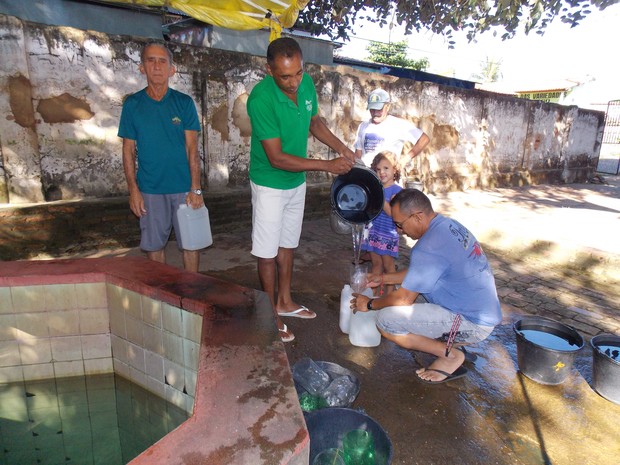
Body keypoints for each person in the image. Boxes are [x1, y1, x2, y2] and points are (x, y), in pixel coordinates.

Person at [247, 37, 355, 343]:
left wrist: (343, 149)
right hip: (270, 182)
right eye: (285, 76)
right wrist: (327, 165)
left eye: (298, 72)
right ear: (269, 70)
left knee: (288, 244)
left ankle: (285, 301)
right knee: (267, 253)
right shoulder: (260, 100)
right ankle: (269, 314)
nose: (294, 82)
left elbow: (315, 122)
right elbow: (277, 158)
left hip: (296, 182)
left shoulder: (305, 83)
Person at [351, 189, 502, 384]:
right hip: (476, 307)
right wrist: (384, 278)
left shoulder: (428, 247)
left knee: (386, 320)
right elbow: (421, 272)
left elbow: (404, 299)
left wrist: (370, 304)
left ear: (417, 216)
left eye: (399, 224)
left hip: (472, 321)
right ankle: (451, 342)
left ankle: (451, 355)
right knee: (395, 300)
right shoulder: (447, 225)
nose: (399, 231)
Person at [119, 43, 203, 272]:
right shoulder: (133, 105)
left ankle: (192, 294)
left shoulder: (184, 104)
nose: (156, 66)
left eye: (162, 61)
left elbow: (192, 150)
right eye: (151, 60)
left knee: (191, 244)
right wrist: (133, 190)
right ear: (141, 67)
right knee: (154, 246)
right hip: (149, 189)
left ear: (172, 70)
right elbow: (128, 150)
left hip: (183, 189)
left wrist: (195, 189)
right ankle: (163, 298)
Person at [354, 88, 431, 172]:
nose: (375, 112)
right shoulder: (363, 126)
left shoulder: (398, 124)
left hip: (389, 179)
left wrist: (404, 160)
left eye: (379, 109)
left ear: (387, 107)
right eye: (372, 109)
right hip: (368, 177)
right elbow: (358, 155)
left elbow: (424, 139)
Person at [360, 151, 403, 296]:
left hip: (387, 234)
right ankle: (374, 295)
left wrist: (379, 196)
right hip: (374, 232)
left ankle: (390, 296)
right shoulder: (376, 188)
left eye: (386, 168)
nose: (382, 172)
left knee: (388, 266)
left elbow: (392, 213)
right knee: (376, 264)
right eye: (378, 170)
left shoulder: (397, 192)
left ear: (394, 170)